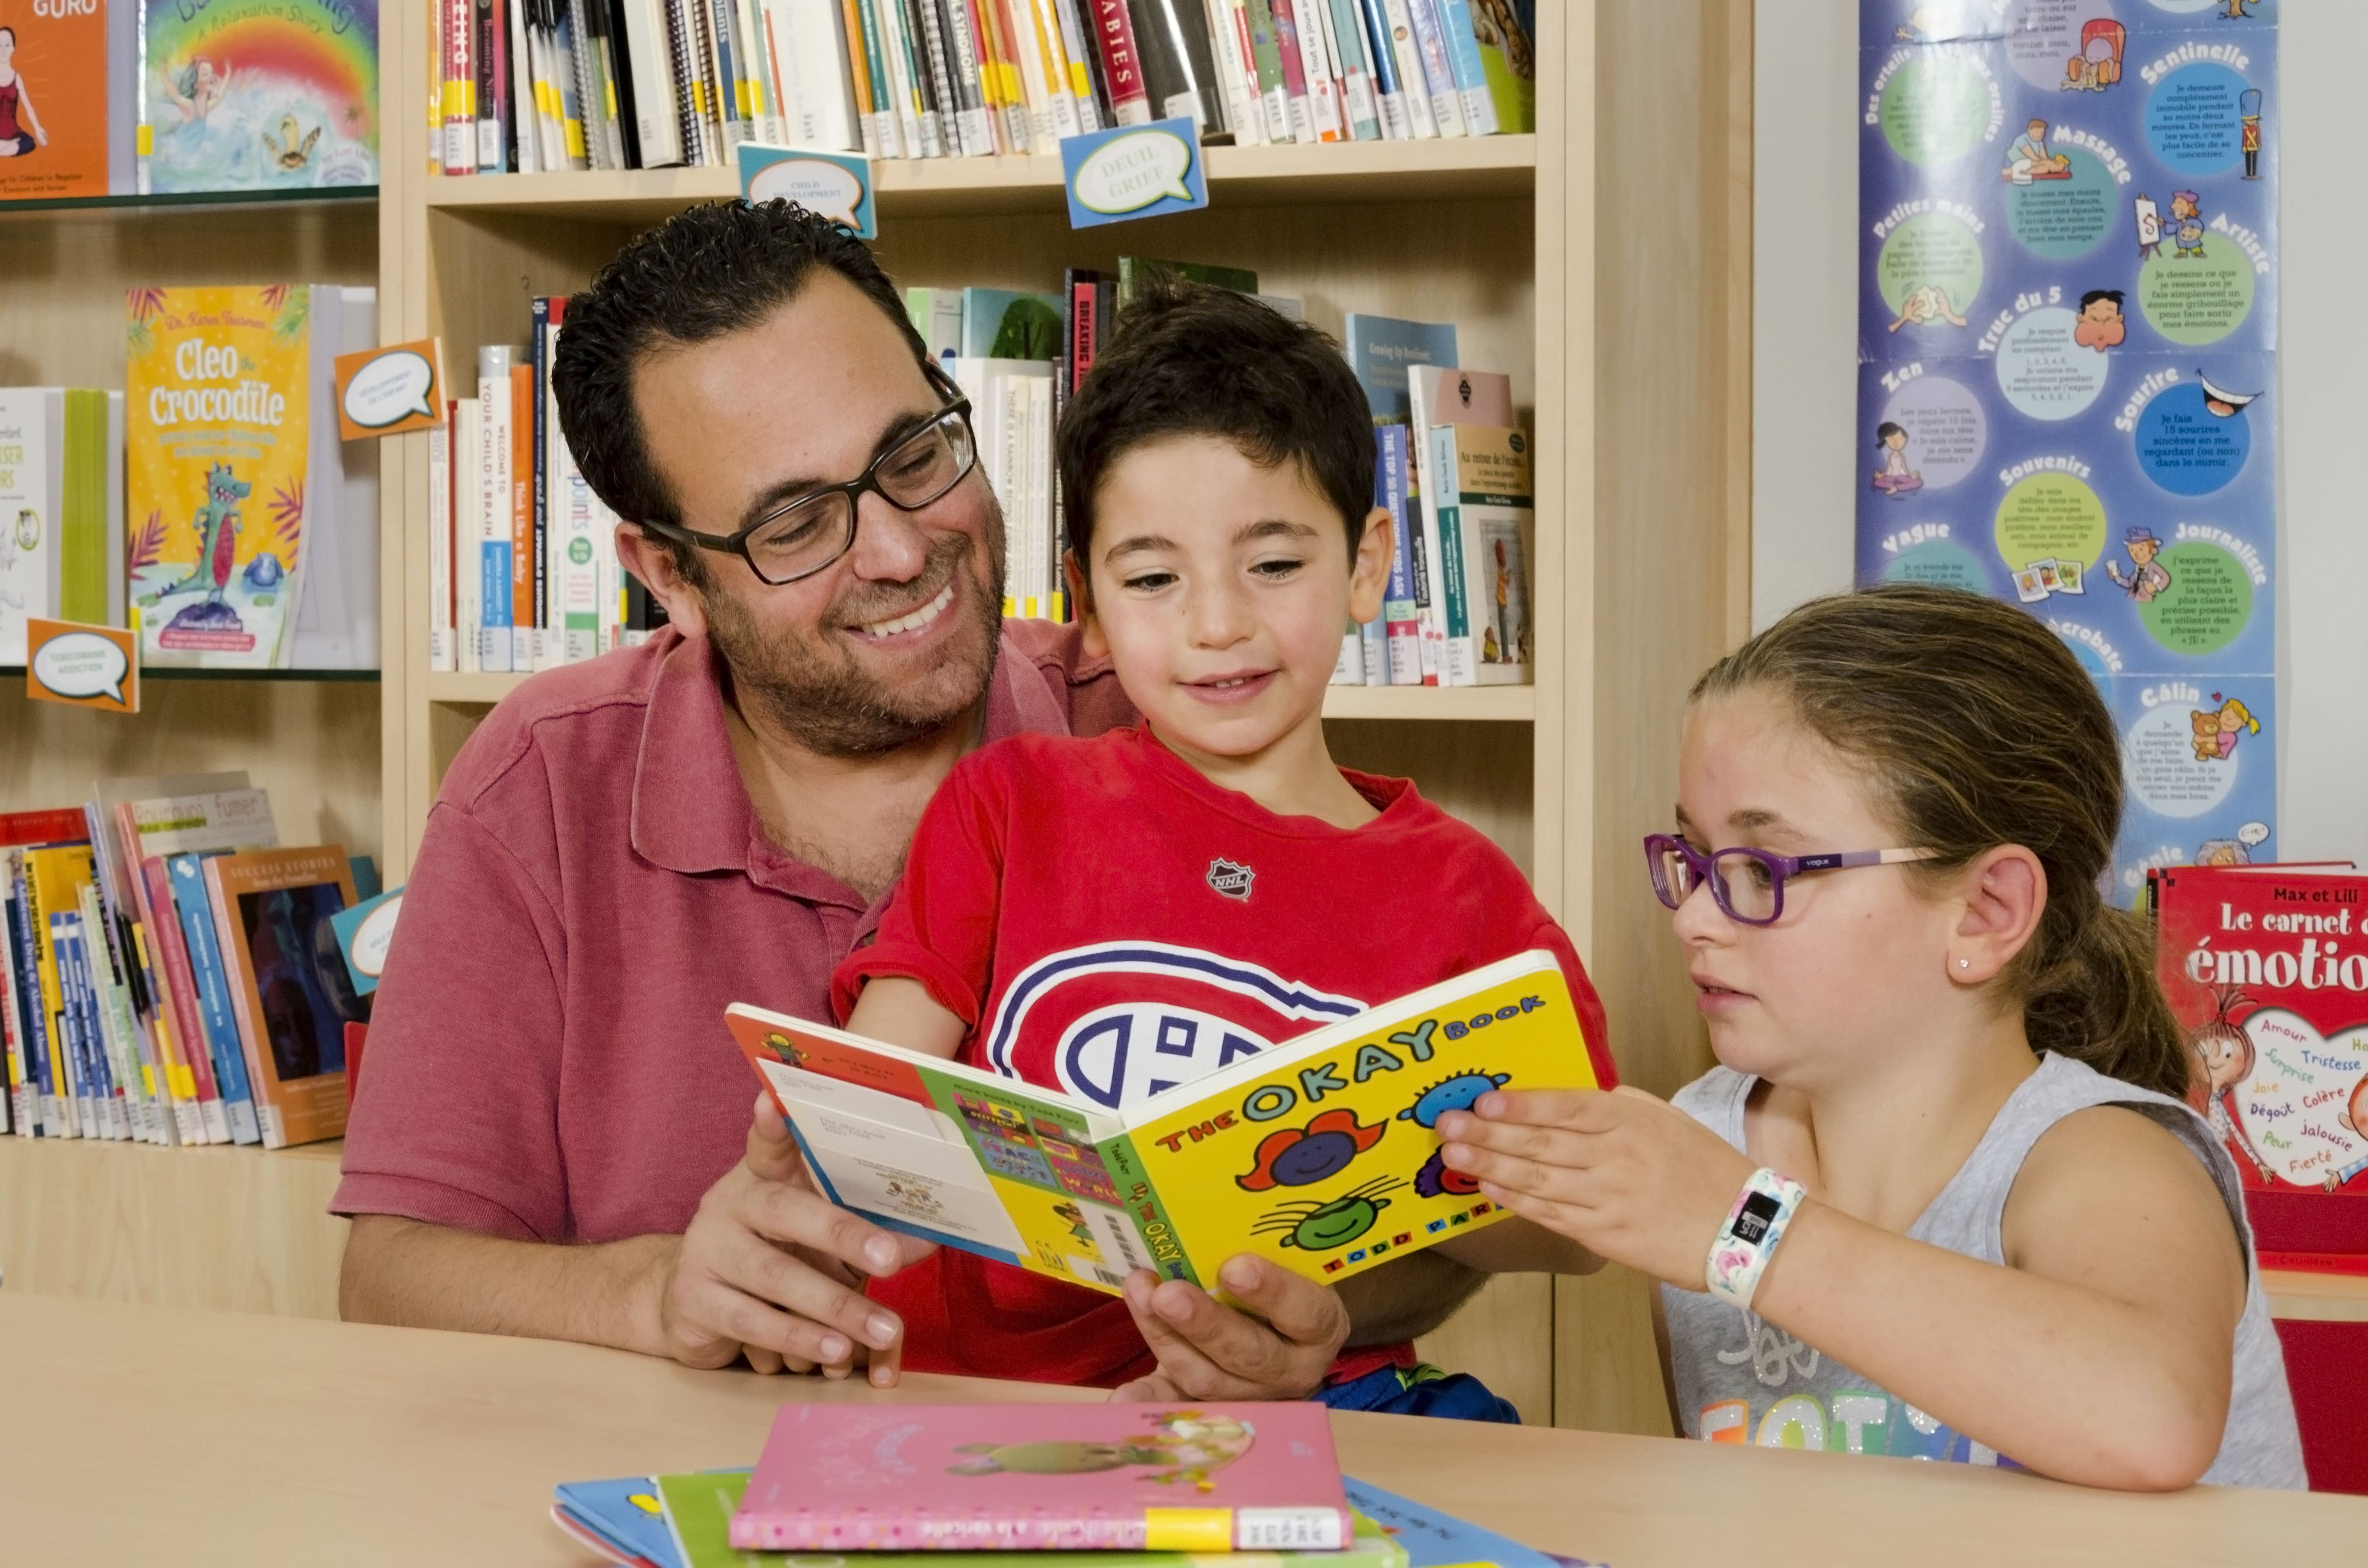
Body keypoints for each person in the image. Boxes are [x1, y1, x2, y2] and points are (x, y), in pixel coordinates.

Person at [334, 202, 1490, 1397]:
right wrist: (656, 1290)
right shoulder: (544, 778)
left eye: (914, 455)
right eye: (794, 523)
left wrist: (1306, 1306)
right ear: (670, 575)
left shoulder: (1178, 703)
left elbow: (1444, 1213)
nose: (894, 548)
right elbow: (393, 1275)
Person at [831, 282, 1614, 1414]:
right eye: (1152, 578)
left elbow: (1578, 1233)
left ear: (1364, 562)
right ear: (1087, 600)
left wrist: (1459, 1168)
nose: (1216, 624)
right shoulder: (1011, 801)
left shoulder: (1466, 899)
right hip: (995, 1400)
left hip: (1302, 1399)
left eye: (1274, 564)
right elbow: (875, 1096)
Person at [1433, 586, 2305, 1488]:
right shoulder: (1708, 1134)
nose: (1693, 913)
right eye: (1691, 859)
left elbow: (2152, 1418)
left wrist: (1734, 1220)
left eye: (1760, 868)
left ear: (1986, 910)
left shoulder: (2106, 1156)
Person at [0, 27, 48, 158]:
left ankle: (4, 149)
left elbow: (29, 108)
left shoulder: (17, 78)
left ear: (13, 49)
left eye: (7, 45)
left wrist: (38, 129)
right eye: (0, 46)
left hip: (13, 135)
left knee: (30, 143)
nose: (3, 50)